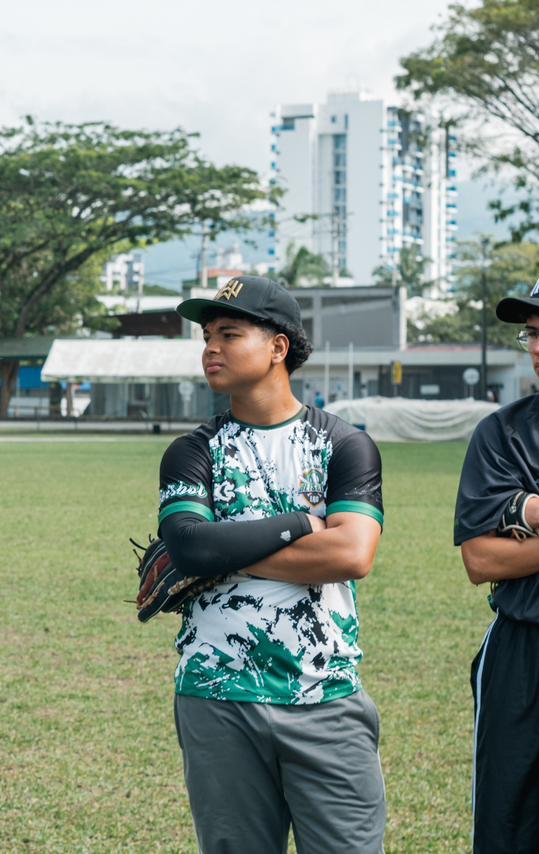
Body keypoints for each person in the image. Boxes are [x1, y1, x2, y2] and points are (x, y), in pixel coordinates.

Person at [155, 276, 386, 853]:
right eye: (206, 335)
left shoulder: (343, 446)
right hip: (217, 694)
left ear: (278, 347)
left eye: (229, 333)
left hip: (325, 693)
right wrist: (303, 526)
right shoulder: (193, 450)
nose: (210, 347)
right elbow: (188, 547)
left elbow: (352, 554)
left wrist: (226, 552)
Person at [456, 264, 539, 852]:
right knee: (511, 825)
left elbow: (515, 540)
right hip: (522, 645)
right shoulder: (503, 433)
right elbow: (482, 559)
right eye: (532, 333)